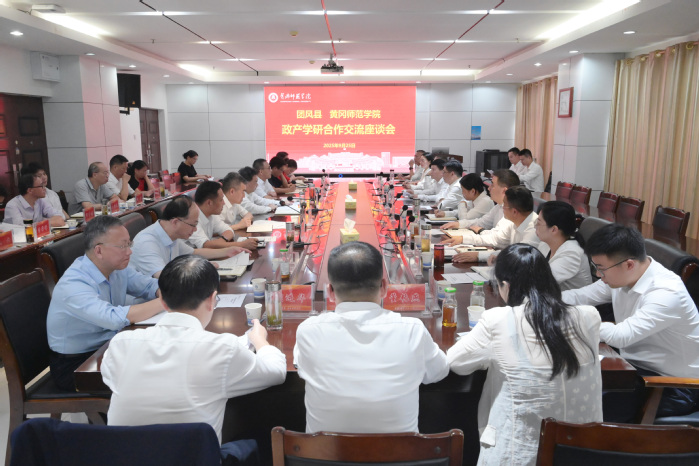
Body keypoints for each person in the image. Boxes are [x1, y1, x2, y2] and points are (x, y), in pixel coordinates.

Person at [102, 255, 286, 464]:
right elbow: (276, 372)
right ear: (212, 299)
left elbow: (112, 380)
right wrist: (259, 340)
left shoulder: (121, 343)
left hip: (126, 459)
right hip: (193, 459)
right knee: (259, 435)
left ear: (162, 301)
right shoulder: (221, 349)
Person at [447, 243, 602, 466]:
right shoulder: (589, 316)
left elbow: (455, 361)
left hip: (520, 455)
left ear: (506, 286)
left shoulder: (499, 320)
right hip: (583, 453)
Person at [294, 241, 449, 433]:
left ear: (330, 291)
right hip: (401, 453)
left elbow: (301, 365)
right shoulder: (412, 331)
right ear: (384, 286)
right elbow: (439, 371)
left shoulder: (309, 331)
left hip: (322, 452)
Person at [562, 224, 699, 422]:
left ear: (629, 264)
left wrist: (577, 320)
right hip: (633, 370)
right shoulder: (623, 276)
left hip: (671, 385)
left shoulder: (666, 292)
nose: (599, 275)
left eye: (601, 268)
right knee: (571, 381)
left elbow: (621, 336)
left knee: (587, 401)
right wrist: (542, 301)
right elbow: (581, 296)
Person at [47, 215, 162, 390]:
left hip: (107, 347)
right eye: (122, 246)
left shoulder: (116, 268)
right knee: (150, 377)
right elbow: (113, 319)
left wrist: (164, 291)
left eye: (129, 244)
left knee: (160, 357)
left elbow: (148, 286)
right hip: (76, 365)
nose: (129, 252)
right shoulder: (73, 283)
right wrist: (166, 301)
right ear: (99, 251)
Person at [129, 195, 246, 278]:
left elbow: (194, 253)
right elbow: (164, 277)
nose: (195, 229)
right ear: (175, 222)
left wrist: (227, 251)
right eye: (193, 225)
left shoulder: (170, 234)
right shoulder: (146, 242)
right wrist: (200, 267)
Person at [443, 185, 539, 263]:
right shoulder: (515, 221)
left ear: (514, 212)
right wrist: (464, 239)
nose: (502, 208)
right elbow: (495, 238)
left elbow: (517, 255)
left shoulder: (534, 229)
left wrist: (478, 256)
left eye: (504, 205)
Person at [535, 201, 592, 291]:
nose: (535, 226)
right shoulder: (545, 243)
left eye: (538, 223)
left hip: (570, 299)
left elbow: (541, 282)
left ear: (554, 229)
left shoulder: (572, 254)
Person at [442, 169, 520, 232]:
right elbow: (481, 222)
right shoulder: (498, 207)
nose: (489, 188)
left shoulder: (511, 210)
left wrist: (480, 231)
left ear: (504, 190)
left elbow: (498, 237)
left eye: (492, 185)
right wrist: (459, 224)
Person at [187, 181, 257, 250]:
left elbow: (228, 230)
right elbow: (206, 245)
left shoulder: (212, 215)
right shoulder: (191, 218)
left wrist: (222, 240)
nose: (224, 203)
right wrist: (242, 244)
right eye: (221, 200)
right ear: (209, 203)